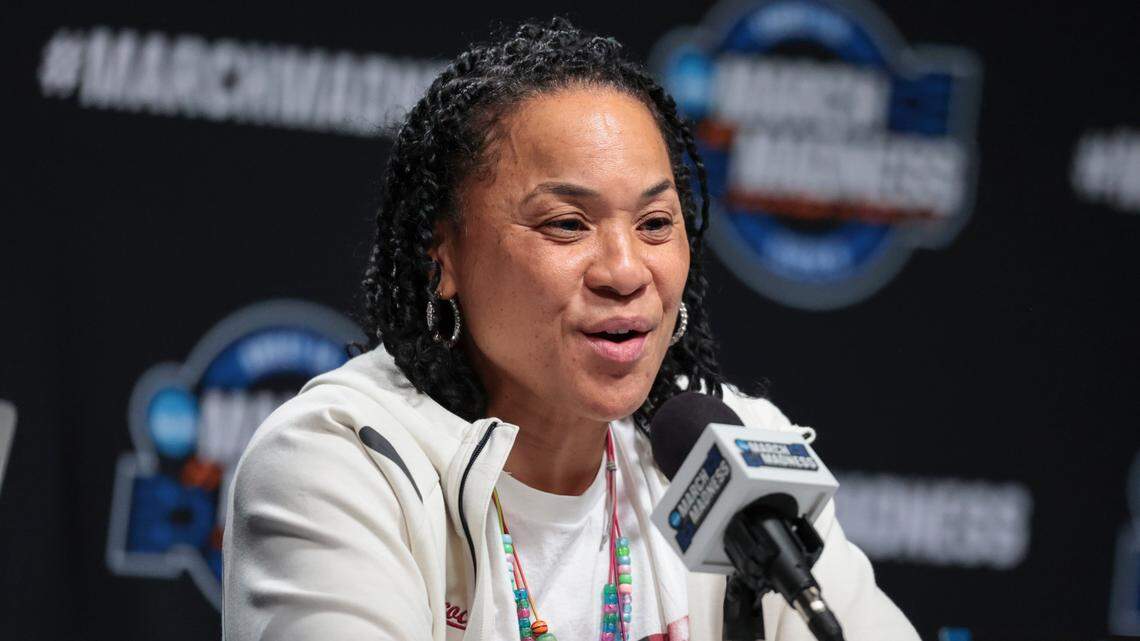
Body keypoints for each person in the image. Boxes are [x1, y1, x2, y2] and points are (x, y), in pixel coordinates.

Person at [223, 18, 919, 641]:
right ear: (443, 256)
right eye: (566, 224)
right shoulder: (344, 464)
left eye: (655, 225)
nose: (625, 270)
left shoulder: (734, 463)